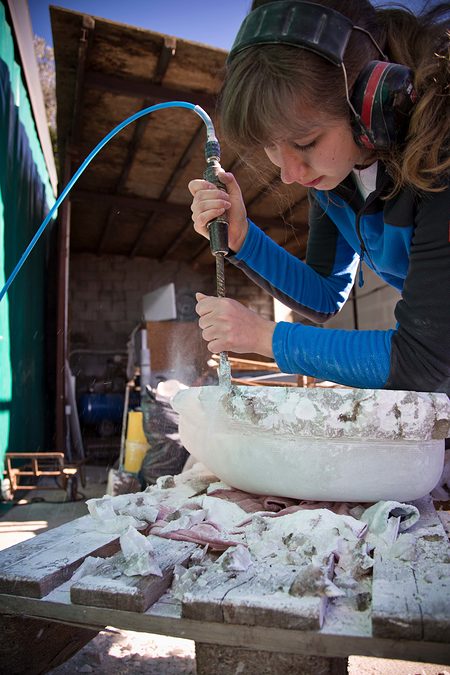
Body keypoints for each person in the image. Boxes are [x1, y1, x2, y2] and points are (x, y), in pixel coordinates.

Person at [188, 0, 449, 393]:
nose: (290, 174)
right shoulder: (337, 179)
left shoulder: (440, 160)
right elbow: (325, 296)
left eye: (306, 142)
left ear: (370, 100)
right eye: (272, 147)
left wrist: (263, 337)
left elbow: (424, 359)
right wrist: (244, 240)